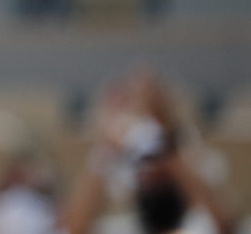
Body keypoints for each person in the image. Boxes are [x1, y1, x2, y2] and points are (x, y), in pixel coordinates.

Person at [61, 69, 236, 234]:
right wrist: (107, 148)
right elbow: (75, 228)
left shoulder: (197, 160)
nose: (149, 171)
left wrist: (164, 137)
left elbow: (223, 225)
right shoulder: (125, 171)